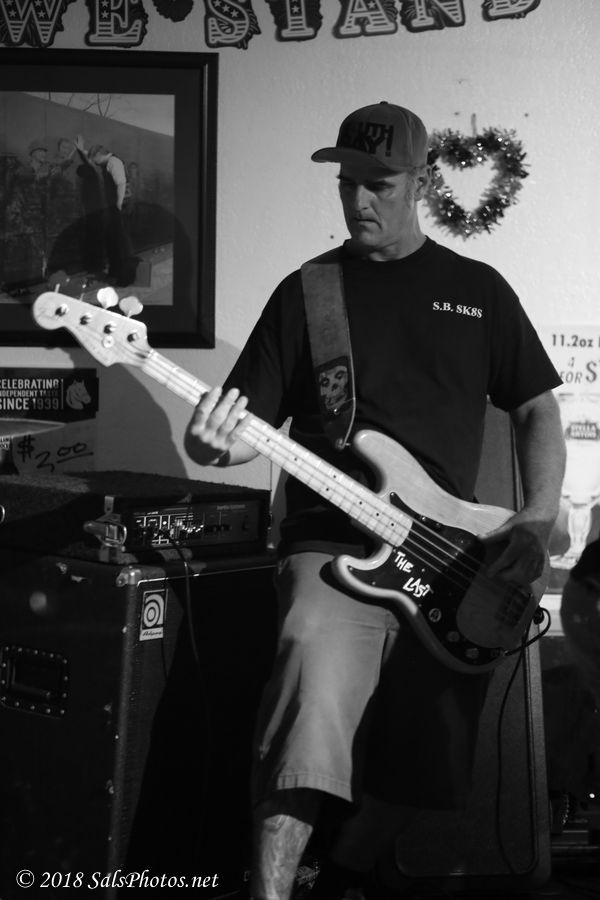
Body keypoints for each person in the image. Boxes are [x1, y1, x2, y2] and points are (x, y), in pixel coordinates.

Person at [184, 102, 567, 900]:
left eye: (379, 184)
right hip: (331, 545)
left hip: (452, 557)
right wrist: (215, 444)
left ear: (421, 183)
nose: (359, 200)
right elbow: (248, 428)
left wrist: (534, 521)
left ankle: (343, 874)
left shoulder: (478, 291)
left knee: (432, 758)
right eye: (347, 183)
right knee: (306, 718)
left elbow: (537, 409)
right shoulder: (309, 293)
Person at [88, 142, 136, 286]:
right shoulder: (109, 162)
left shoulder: (113, 162)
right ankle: (115, 273)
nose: (95, 163)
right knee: (115, 241)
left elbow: (121, 183)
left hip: (119, 207)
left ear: (99, 155)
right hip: (117, 207)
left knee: (120, 243)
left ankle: (124, 277)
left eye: (94, 159)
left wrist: (118, 205)